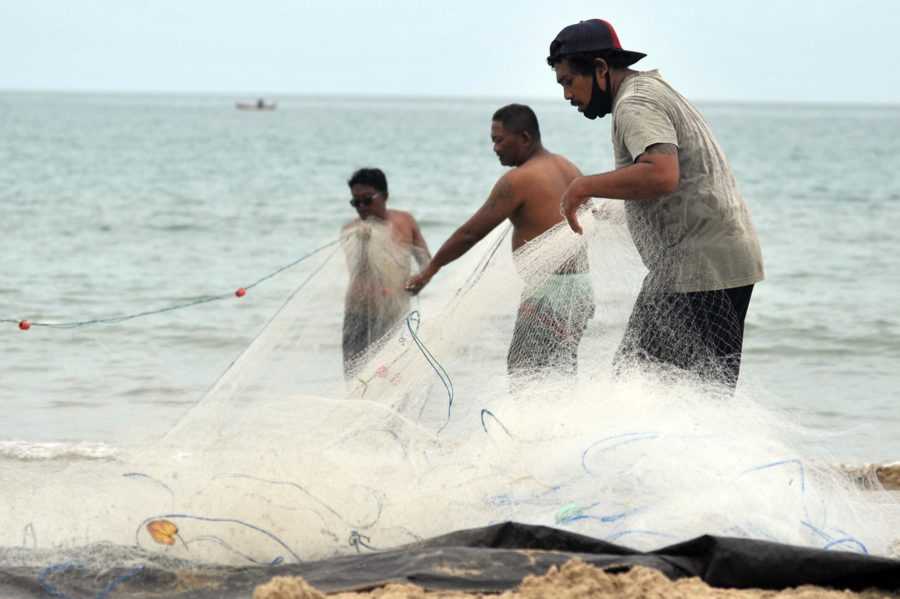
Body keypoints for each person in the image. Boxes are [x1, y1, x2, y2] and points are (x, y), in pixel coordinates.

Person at [547, 19, 764, 388]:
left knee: (646, 386)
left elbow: (661, 174)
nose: (567, 94)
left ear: (600, 68)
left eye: (569, 81)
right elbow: (678, 181)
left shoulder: (635, 103)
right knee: (680, 389)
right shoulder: (649, 90)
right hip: (706, 262)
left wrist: (584, 186)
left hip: (699, 269)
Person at [406, 104, 594, 379]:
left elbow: (470, 233)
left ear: (525, 138)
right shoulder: (568, 167)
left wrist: (430, 270)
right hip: (581, 290)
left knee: (525, 373)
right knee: (559, 372)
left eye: (499, 140)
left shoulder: (518, 180)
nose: (495, 148)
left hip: (550, 293)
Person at [342, 168, 431, 377]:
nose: (362, 207)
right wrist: (362, 243)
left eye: (367, 200)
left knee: (396, 375)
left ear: (385, 196)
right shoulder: (351, 231)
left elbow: (426, 261)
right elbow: (359, 270)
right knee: (356, 376)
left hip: (394, 315)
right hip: (357, 314)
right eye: (356, 202)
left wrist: (420, 282)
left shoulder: (405, 222)